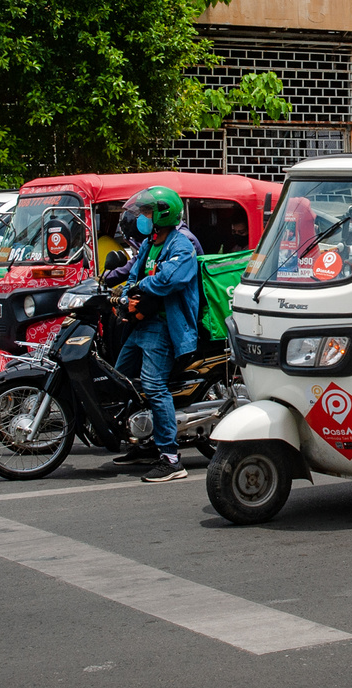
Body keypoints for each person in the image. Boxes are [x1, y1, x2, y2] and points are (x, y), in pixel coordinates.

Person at [113, 186, 199, 483]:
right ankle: (144, 442)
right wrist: (125, 295)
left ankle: (171, 458)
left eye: (148, 213)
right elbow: (133, 276)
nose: (143, 218)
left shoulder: (181, 244)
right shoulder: (150, 244)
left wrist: (140, 289)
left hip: (164, 326)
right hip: (141, 325)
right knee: (122, 379)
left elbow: (170, 279)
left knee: (153, 385)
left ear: (163, 214)